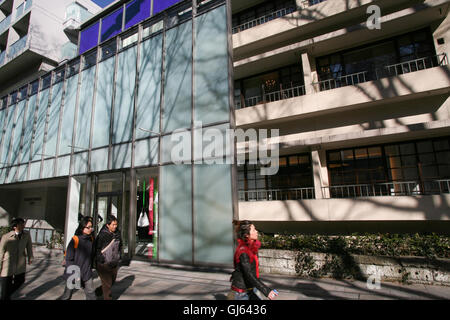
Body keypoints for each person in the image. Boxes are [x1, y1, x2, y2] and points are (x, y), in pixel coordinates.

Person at [229, 220, 278, 300]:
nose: (256, 231)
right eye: (254, 230)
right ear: (247, 235)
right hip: (241, 293)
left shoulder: (251, 248)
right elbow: (249, 274)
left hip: (251, 288)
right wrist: (266, 291)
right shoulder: (243, 252)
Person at [59, 216, 96, 300]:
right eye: (88, 227)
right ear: (82, 228)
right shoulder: (75, 239)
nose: (90, 229)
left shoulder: (91, 239)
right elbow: (69, 258)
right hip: (74, 271)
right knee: (67, 295)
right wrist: (74, 273)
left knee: (91, 294)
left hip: (86, 272)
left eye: (91, 227)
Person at [0, 218, 33, 300]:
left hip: (20, 263)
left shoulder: (26, 234)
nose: (23, 225)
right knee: (5, 287)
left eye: (23, 223)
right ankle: (5, 296)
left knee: (20, 280)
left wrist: (30, 257)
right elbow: (1, 252)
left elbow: (29, 246)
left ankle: (6, 295)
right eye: (21, 224)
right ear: (15, 226)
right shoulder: (6, 237)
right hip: (7, 265)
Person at [95, 215, 122, 300]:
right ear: (108, 225)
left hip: (113, 261)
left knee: (112, 281)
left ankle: (99, 291)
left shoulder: (117, 233)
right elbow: (97, 248)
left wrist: (119, 256)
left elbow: (120, 246)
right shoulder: (102, 235)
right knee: (107, 284)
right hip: (103, 263)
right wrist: (100, 258)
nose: (115, 226)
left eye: (116, 224)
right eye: (113, 225)